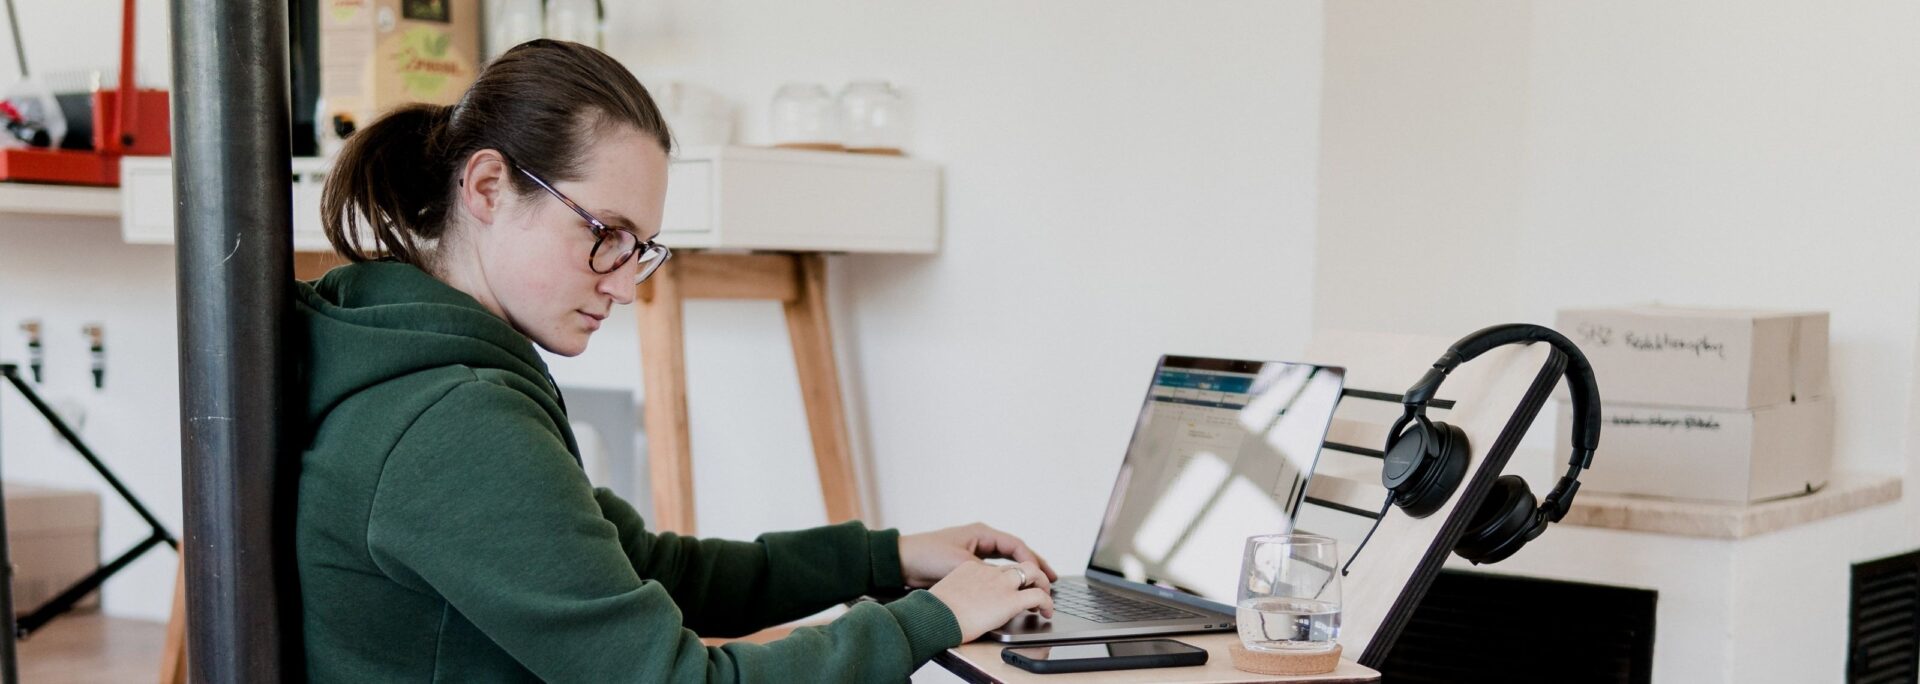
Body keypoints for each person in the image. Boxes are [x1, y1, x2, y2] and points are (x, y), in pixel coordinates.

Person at [294, 39, 1056, 682]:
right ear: (489, 186)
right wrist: (933, 619)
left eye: (641, 250)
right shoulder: (450, 421)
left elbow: (657, 568)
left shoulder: (416, 360)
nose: (625, 285)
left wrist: (885, 559)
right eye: (605, 233)